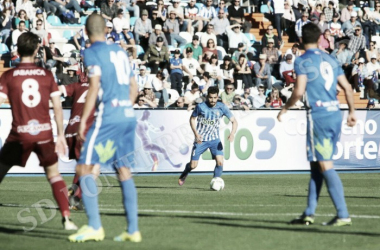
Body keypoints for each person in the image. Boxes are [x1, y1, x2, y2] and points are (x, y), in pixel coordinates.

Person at [68, 14, 141, 243]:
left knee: (84, 168)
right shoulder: (119, 51)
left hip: (108, 115)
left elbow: (94, 86)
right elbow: (134, 87)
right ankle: (133, 230)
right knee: (124, 171)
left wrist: (82, 120)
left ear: (86, 33)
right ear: (107, 30)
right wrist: (125, 107)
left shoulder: (91, 52)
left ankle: (94, 226)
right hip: (127, 115)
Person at [277, 22, 356, 226]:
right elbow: (347, 88)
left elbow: (298, 91)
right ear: (320, 38)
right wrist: (352, 112)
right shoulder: (330, 59)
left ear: (301, 40)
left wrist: (285, 109)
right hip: (335, 114)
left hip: (319, 115)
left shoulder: (302, 60)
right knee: (316, 165)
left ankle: (343, 214)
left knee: (324, 164)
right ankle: (309, 212)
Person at [0, 32, 77, 230]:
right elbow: (57, 107)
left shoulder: (9, 75)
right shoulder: (46, 75)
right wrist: (60, 135)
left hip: (20, 134)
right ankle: (67, 218)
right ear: (36, 49)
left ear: (17, 49)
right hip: (44, 133)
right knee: (54, 175)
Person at [178, 86, 238, 186]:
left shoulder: (222, 107)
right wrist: (196, 134)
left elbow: (234, 122)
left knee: (220, 162)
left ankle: (216, 182)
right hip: (201, 140)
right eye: (210, 97)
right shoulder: (201, 106)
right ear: (207, 97)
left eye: (215, 98)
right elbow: (192, 119)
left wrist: (232, 134)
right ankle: (185, 173)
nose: (213, 100)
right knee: (193, 165)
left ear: (217, 97)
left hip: (215, 140)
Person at [58, 72, 96, 210]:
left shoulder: (76, 85)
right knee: (92, 167)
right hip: (85, 130)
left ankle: (74, 195)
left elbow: (58, 90)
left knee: (83, 166)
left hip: (70, 130)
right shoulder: (99, 86)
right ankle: (76, 196)